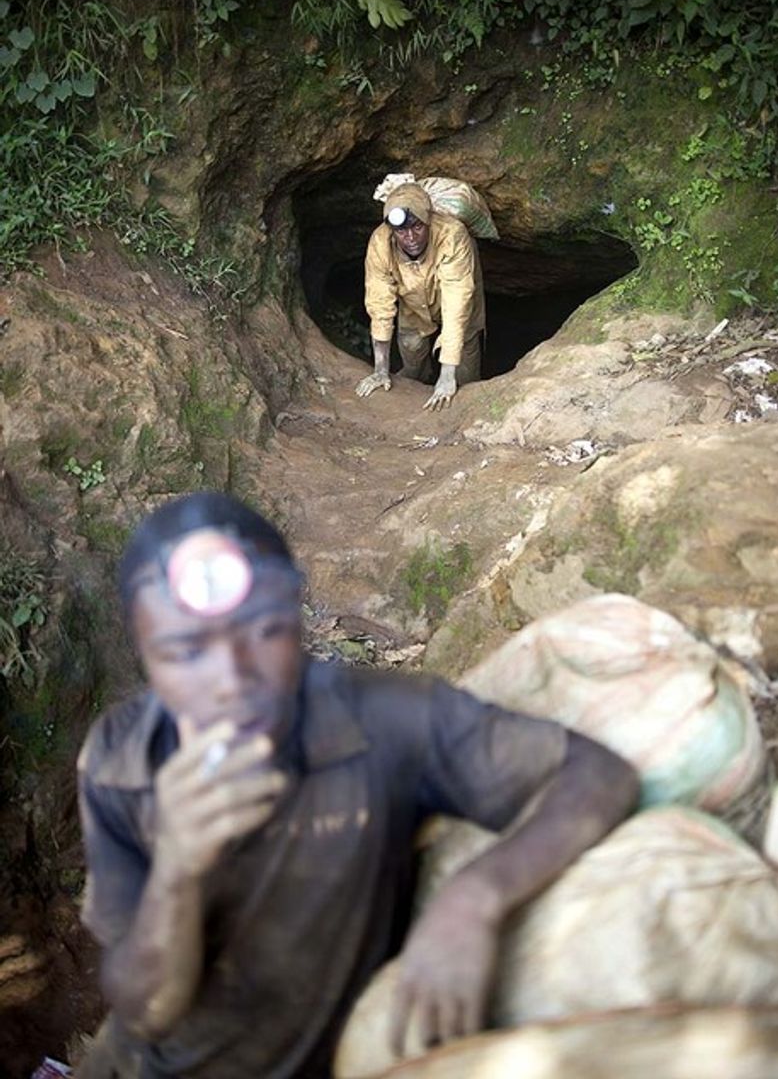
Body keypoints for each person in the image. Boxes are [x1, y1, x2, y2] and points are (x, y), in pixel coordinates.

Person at [76, 492, 638, 1079]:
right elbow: (145, 1013)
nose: (231, 679)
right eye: (184, 652)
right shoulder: (123, 762)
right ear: (144, 656)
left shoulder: (386, 721)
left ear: (297, 615)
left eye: (264, 631)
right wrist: (176, 872)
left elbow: (597, 773)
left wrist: (474, 898)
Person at [356, 182, 486, 411]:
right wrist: (380, 370)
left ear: (429, 221)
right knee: (412, 354)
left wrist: (447, 376)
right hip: (414, 307)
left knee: (464, 368)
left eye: (417, 227)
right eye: (401, 231)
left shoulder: (452, 235)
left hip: (460, 307)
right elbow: (380, 305)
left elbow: (456, 306)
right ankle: (420, 382)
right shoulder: (381, 242)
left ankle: (466, 407)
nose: (410, 237)